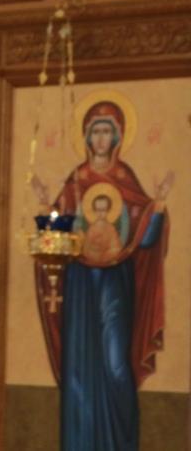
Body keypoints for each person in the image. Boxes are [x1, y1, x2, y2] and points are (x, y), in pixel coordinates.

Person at [30, 100, 171, 451]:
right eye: (96, 131)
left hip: (115, 284)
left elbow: (144, 240)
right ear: (87, 137)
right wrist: (47, 207)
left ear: (118, 136)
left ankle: (121, 443)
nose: (102, 138)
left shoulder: (126, 179)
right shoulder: (76, 181)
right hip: (79, 285)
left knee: (115, 363)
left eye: (108, 131)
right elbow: (57, 233)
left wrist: (158, 206)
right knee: (78, 367)